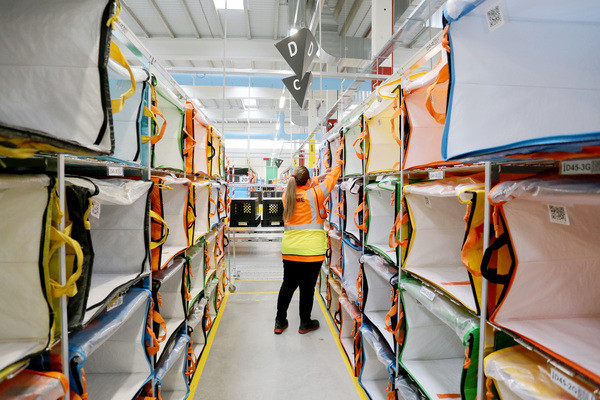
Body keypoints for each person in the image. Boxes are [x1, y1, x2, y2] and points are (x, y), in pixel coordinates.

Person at [275, 160, 342, 334]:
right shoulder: (316, 194)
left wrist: (316, 177)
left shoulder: (286, 195)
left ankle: (280, 321)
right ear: (307, 182)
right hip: (312, 252)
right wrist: (339, 162)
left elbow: (303, 189)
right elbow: (332, 179)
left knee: (287, 286)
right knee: (307, 288)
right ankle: (305, 323)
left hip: (290, 250)